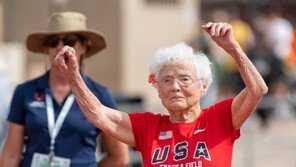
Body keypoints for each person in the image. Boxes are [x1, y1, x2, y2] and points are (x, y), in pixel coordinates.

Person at [55, 22, 268, 166]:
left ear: (203, 86)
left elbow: (257, 89)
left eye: (185, 79)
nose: (175, 87)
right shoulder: (148, 127)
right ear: (158, 91)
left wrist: (232, 48)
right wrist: (73, 76)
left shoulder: (220, 118)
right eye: (166, 80)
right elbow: (98, 115)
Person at [0, 11, 129, 167]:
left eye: (69, 41)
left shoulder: (100, 95)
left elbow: (119, 157)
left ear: (84, 47)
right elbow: (11, 154)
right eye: (53, 41)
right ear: (46, 48)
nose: (60, 46)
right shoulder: (24, 92)